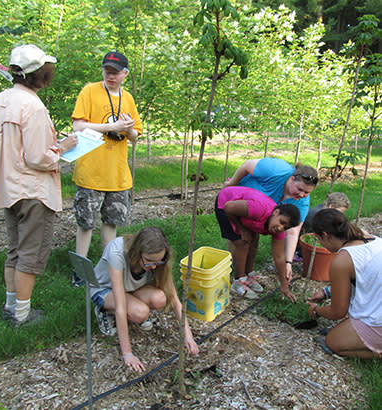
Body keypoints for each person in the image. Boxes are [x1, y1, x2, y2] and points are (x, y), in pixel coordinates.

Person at [0, 44, 77, 325]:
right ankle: (22, 315)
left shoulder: (1, 100)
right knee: (30, 253)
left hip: (8, 187)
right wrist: (64, 147)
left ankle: (11, 306)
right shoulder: (33, 107)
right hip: (33, 192)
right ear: (39, 73)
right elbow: (38, 157)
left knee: (15, 249)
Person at [71, 51, 142, 287]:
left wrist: (127, 129)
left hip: (118, 175)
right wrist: (111, 126)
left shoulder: (128, 99)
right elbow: (78, 126)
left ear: (125, 74)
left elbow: (134, 137)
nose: (110, 76)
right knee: (85, 224)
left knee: (111, 223)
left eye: (115, 72)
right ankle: (79, 271)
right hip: (91, 172)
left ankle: (106, 268)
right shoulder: (89, 91)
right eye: (106, 71)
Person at [90, 226, 199, 372]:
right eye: (149, 262)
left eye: (158, 262)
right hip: (105, 290)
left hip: (130, 288)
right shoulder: (116, 253)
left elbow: (174, 299)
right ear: (137, 253)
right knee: (140, 312)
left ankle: (132, 307)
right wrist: (128, 354)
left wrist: (188, 336)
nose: (153, 267)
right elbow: (121, 307)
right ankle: (105, 311)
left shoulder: (158, 260)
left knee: (160, 298)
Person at [224, 157, 318, 286]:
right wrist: (231, 184)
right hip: (240, 202)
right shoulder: (276, 169)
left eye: (307, 192)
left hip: (259, 212)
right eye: (300, 189)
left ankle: (247, 272)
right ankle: (237, 274)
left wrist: (288, 263)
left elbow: (292, 232)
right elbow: (247, 165)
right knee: (241, 241)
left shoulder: (302, 202)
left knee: (253, 240)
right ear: (291, 179)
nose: (302, 195)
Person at [307, 209, 382, 359]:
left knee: (333, 341)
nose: (321, 244)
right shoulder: (371, 239)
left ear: (326, 236)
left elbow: (337, 312)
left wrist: (317, 311)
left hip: (378, 320)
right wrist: (327, 292)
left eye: (319, 239)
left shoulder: (342, 260)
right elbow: (365, 278)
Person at [215, 186, 300, 302]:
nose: (280, 228)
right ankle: (238, 281)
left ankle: (248, 275)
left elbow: (279, 257)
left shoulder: (278, 230)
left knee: (254, 241)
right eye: (282, 222)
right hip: (225, 202)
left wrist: (284, 285)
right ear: (276, 212)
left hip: (243, 213)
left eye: (285, 227)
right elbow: (228, 207)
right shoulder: (259, 209)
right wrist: (242, 229)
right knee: (242, 243)